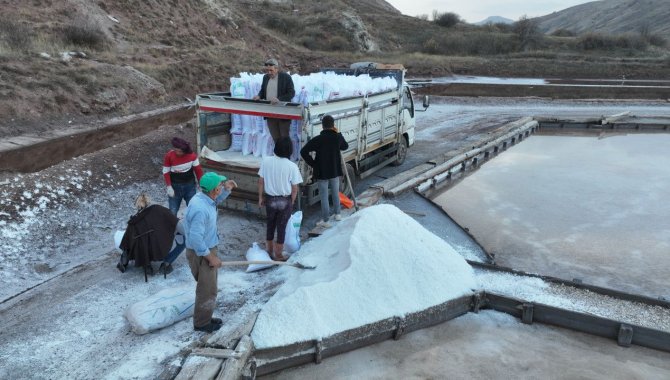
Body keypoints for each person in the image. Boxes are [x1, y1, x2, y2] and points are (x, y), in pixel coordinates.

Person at [183, 172, 237, 333]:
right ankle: (201, 323)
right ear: (214, 190)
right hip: (201, 253)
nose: (222, 186)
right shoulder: (200, 209)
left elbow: (215, 201)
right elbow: (195, 238)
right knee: (207, 290)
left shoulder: (203, 198)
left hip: (205, 249)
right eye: (220, 185)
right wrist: (210, 257)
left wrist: (226, 190)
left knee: (208, 287)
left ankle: (205, 317)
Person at [258, 137, 303, 261]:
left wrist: (260, 197)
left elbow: (261, 181)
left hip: (270, 199)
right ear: (289, 150)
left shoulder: (266, 161)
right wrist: (292, 201)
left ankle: (269, 251)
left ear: (275, 147)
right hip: (285, 201)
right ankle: (278, 255)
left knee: (270, 225)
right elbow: (295, 188)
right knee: (282, 227)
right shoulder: (292, 166)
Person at [300, 115, 349, 228]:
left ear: (322, 126)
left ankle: (326, 221)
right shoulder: (337, 137)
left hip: (321, 171)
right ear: (333, 125)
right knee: (336, 193)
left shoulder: (318, 139)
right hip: (335, 171)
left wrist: (313, 164)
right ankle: (338, 214)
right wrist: (339, 135)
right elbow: (345, 146)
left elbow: (303, 151)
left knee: (324, 196)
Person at [118, 193, 178, 282]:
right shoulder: (158, 209)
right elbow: (173, 219)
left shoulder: (133, 221)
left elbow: (127, 242)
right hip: (159, 247)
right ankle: (166, 263)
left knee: (129, 240)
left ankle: (144, 264)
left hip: (142, 251)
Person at [252, 58, 295, 142]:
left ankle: (286, 154)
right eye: (267, 70)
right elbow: (263, 91)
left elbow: (291, 93)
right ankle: (278, 153)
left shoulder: (286, 77)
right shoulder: (265, 78)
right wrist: (259, 96)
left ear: (277, 69)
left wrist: (279, 99)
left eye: (271, 70)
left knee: (284, 137)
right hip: (270, 113)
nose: (269, 73)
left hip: (283, 113)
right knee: (275, 137)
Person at [163, 137, 203, 216]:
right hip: (175, 187)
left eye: (180, 151)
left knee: (194, 209)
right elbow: (166, 171)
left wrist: (201, 184)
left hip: (190, 186)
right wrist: (169, 187)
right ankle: (172, 227)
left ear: (185, 151)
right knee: (172, 212)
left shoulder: (192, 156)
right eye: (176, 150)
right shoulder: (169, 156)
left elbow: (198, 171)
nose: (177, 153)